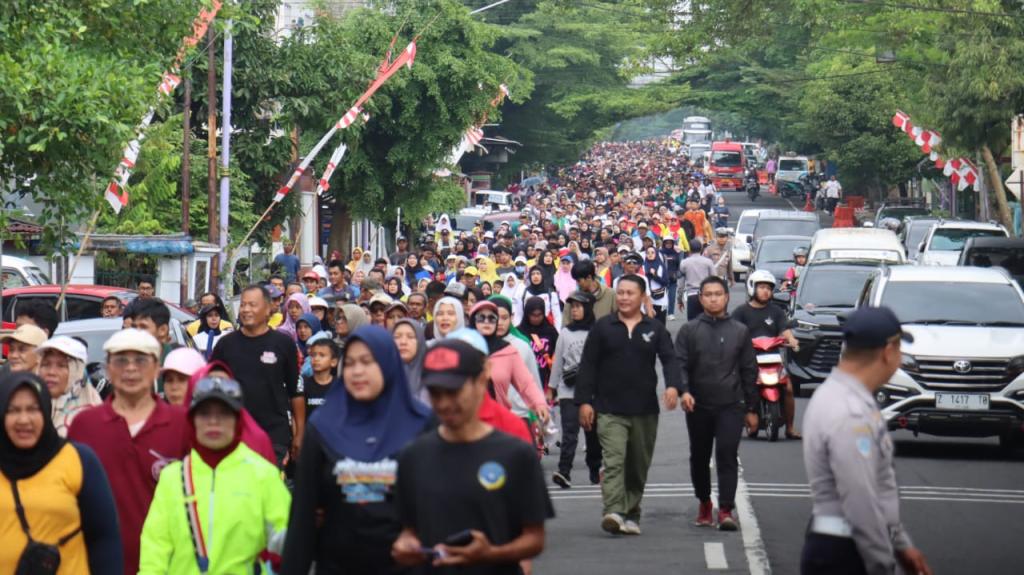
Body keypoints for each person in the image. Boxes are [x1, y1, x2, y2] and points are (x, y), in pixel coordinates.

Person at [391, 339, 553, 572]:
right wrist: (406, 545)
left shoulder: (516, 454)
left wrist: (492, 554)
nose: (445, 403)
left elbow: (535, 538)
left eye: (453, 391)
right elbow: (408, 529)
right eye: (436, 393)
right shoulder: (413, 456)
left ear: (479, 382)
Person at [283, 326, 433, 574]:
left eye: (367, 361)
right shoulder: (323, 425)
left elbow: (438, 506)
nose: (357, 371)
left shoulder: (421, 424)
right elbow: (303, 515)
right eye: (350, 363)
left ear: (388, 364)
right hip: (338, 565)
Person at [801, 307, 932, 575]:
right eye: (899, 351)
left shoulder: (840, 395)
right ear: (888, 351)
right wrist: (883, 562)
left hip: (839, 543)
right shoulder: (850, 412)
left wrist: (900, 543)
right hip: (847, 551)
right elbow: (860, 497)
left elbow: (877, 488)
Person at [68, 329, 191, 574]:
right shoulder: (85, 424)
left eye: (141, 360)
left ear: (157, 368)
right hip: (96, 564)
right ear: (108, 368)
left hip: (170, 564)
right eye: (121, 360)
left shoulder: (184, 424)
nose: (131, 368)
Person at [139, 376, 291, 574]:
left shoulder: (262, 474)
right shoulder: (172, 477)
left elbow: (287, 541)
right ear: (192, 420)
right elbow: (155, 548)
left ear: (238, 420)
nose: (213, 422)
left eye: (224, 414)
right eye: (204, 414)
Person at [575, 274, 682, 535]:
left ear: (642, 297)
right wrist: (583, 402)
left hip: (644, 410)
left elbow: (670, 359)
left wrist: (672, 386)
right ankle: (613, 511)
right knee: (614, 461)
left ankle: (632, 513)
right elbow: (588, 365)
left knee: (637, 466)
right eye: (620, 292)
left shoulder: (654, 329)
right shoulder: (603, 327)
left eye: (629, 293)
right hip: (609, 409)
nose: (623, 297)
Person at [0, 372, 123, 574]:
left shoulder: (79, 460)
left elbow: (104, 538)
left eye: (33, 409)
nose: (23, 420)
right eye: (13, 410)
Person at [674, 276, 758, 531]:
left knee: (727, 454)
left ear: (727, 297)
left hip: (730, 405)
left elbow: (748, 371)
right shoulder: (689, 330)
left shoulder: (740, 331)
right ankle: (704, 503)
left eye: (717, 294)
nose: (713, 298)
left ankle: (725, 509)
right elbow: (680, 365)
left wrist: (751, 408)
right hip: (698, 405)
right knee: (699, 457)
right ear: (700, 298)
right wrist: (684, 392)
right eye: (707, 294)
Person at [210, 285, 303, 466]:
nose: (246, 310)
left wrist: (299, 434)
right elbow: (212, 388)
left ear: (268, 309)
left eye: (252, 305)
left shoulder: (284, 343)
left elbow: (296, 392)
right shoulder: (225, 344)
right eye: (243, 305)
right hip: (233, 435)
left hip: (273, 435)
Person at [732, 270, 802, 439]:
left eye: (769, 288)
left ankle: (790, 428)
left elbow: (784, 330)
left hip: (773, 358)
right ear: (752, 288)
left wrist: (792, 341)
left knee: (789, 389)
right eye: (761, 287)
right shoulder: (740, 312)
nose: (765, 291)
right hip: (749, 360)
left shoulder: (776, 311)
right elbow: (731, 331)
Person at [550, 291, 602, 488]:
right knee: (570, 433)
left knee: (592, 433)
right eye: (572, 307)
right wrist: (552, 387)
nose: (575, 310)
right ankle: (564, 472)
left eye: (579, 306)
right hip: (568, 390)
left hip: (592, 392)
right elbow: (557, 362)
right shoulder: (565, 333)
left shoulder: (597, 332)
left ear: (587, 308)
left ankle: (595, 469)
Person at [468, 301, 550, 423]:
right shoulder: (464, 348)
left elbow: (526, 383)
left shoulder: (508, 351)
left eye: (492, 318)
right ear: (473, 322)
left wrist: (539, 403)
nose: (486, 322)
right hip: (468, 422)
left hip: (499, 421)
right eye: (481, 318)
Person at [36, 336, 102, 437]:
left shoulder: (93, 417)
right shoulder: (32, 407)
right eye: (46, 364)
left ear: (77, 371)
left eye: (62, 366)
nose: (51, 372)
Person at [517, 297, 559, 396]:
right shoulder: (519, 332)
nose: (536, 318)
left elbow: (558, 357)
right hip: (523, 382)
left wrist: (551, 387)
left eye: (539, 315)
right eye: (533, 315)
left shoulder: (551, 331)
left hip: (545, 383)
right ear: (527, 314)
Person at [678, 241, 715, 320]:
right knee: (707, 321)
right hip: (706, 295)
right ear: (701, 249)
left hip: (692, 295)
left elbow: (681, 284)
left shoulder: (684, 263)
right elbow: (714, 280)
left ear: (689, 249)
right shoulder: (708, 262)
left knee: (692, 324)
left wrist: (679, 300)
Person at [393, 318, 428, 403]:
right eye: (397, 337)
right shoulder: (382, 374)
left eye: (410, 337)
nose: (403, 342)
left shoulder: (433, 377)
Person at [643, 246, 670, 324]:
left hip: (661, 298)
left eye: (652, 252)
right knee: (649, 324)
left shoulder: (661, 266)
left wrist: (655, 275)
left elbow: (666, 282)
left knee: (660, 323)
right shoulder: (643, 266)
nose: (650, 254)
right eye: (648, 253)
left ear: (656, 254)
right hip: (648, 298)